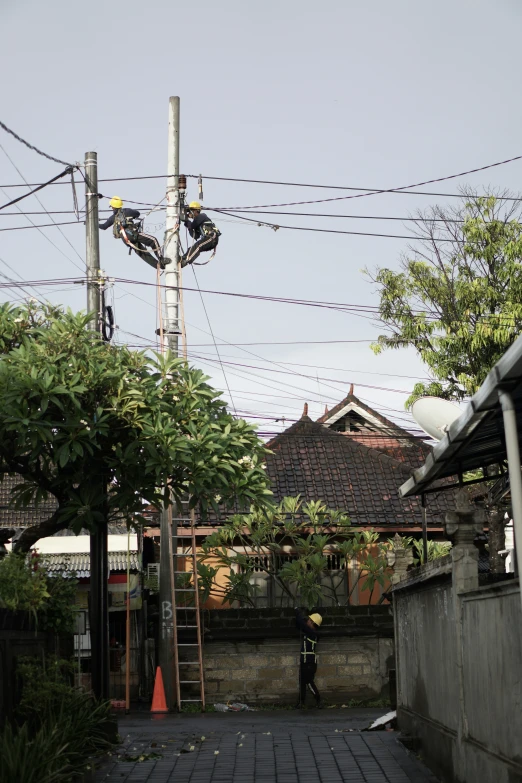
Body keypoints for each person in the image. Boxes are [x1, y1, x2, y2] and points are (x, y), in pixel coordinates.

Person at [99, 196, 167, 269]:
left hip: (125, 239)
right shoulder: (127, 211)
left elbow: (104, 226)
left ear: (113, 207)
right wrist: (131, 218)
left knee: (142, 253)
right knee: (153, 240)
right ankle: (161, 259)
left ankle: (159, 266)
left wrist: (94, 223)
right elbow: (137, 213)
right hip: (132, 234)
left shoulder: (113, 217)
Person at [295, 608, 323, 708]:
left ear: (312, 622)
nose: (307, 621)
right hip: (304, 662)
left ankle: (318, 700)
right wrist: (298, 617)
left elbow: (302, 624)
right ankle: (301, 702)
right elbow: (299, 625)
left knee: (308, 682)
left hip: (309, 663)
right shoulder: (309, 632)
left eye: (308, 620)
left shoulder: (313, 634)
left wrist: (298, 613)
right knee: (302, 682)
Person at [181, 201, 220, 268]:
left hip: (211, 237)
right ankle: (182, 258)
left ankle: (186, 260)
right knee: (192, 248)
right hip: (208, 239)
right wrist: (188, 225)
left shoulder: (202, 216)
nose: (189, 213)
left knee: (198, 246)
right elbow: (195, 235)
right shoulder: (197, 223)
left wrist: (187, 221)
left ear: (196, 211)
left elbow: (192, 225)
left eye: (190, 211)